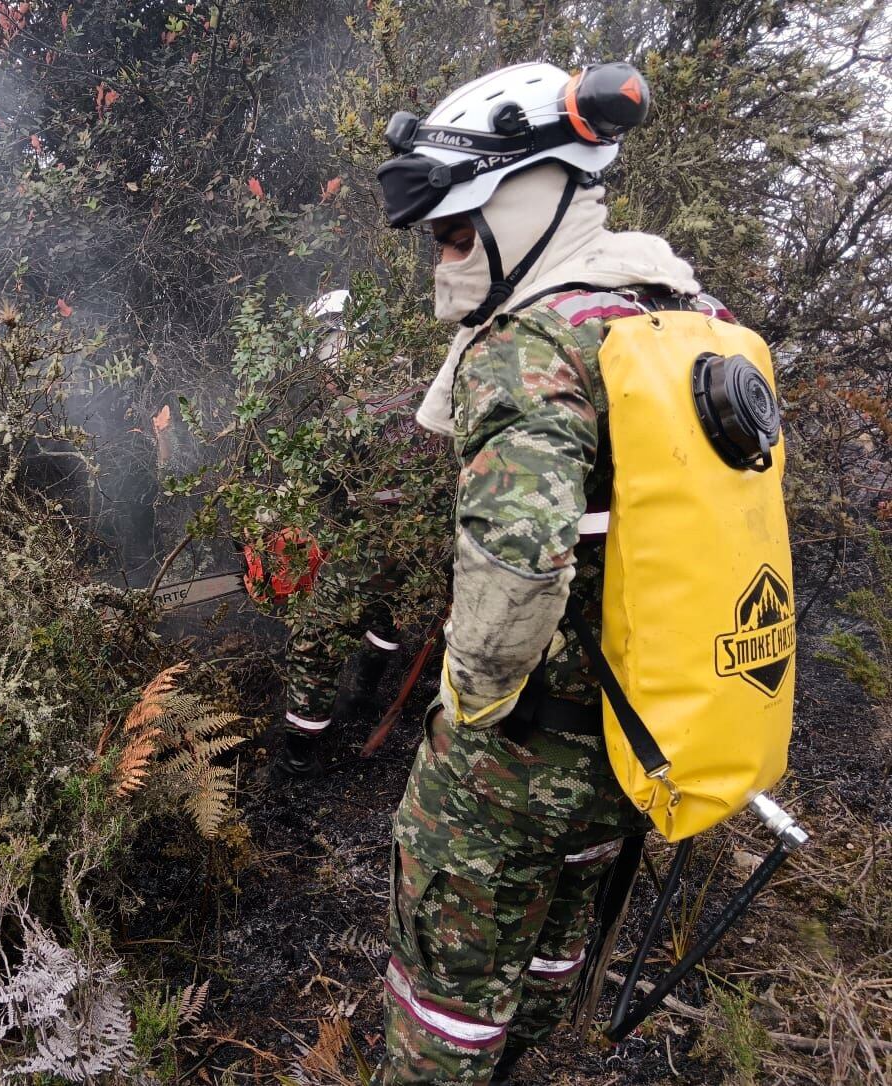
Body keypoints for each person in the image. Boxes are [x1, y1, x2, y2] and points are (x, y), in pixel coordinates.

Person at [373, 61, 733, 1083]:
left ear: (525, 201)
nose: (442, 257)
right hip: (634, 746)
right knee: (549, 947)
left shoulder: (529, 347)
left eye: (452, 232)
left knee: (441, 998)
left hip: (517, 758)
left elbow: (513, 576)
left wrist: (465, 704)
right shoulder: (679, 318)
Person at [271, 290, 441, 779]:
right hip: (425, 546)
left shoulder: (352, 409)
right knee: (386, 614)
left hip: (378, 546)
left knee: (314, 640)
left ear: (339, 342)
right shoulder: (423, 384)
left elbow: (316, 484)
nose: (321, 377)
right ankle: (363, 694)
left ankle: (297, 759)